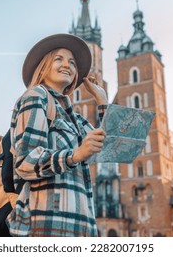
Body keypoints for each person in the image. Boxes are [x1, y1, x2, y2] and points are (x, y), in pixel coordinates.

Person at [7, 33, 108, 237]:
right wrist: (75, 155)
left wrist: (102, 100)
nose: (67, 65)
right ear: (43, 66)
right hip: (46, 226)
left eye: (72, 62)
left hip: (79, 227)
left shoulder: (74, 117)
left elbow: (112, 149)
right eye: (59, 59)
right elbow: (26, 161)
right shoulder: (36, 97)